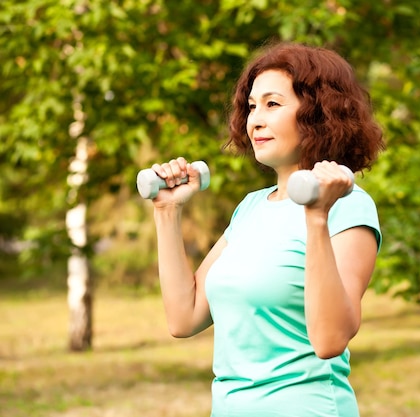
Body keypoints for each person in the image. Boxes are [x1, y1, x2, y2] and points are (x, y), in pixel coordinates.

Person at [148, 42, 385, 417]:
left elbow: (329, 339)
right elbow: (184, 316)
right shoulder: (252, 208)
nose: (255, 119)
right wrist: (167, 212)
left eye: (273, 104)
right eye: (252, 106)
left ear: (318, 115)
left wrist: (317, 216)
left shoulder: (349, 206)